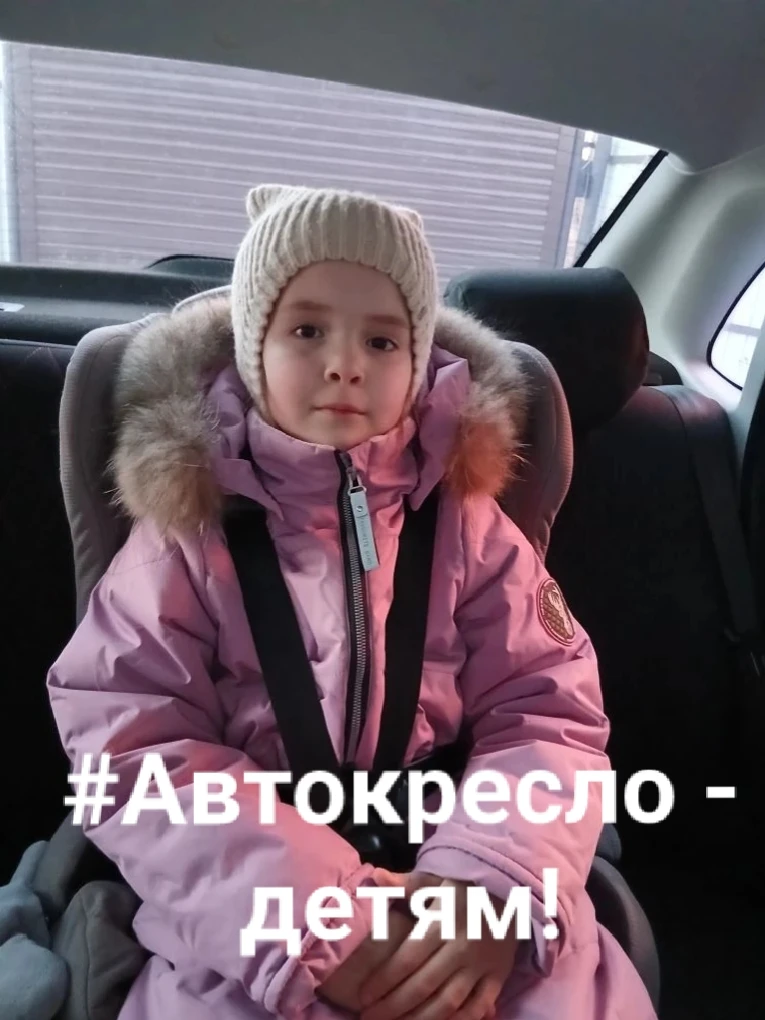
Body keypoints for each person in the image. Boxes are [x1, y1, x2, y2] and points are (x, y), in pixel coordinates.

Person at [46, 183, 657, 1020]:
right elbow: (132, 751)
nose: (345, 363)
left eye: (381, 338)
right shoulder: (183, 539)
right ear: (252, 350)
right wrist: (311, 922)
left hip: (455, 858)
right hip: (251, 906)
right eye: (306, 331)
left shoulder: (471, 527)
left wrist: (493, 881)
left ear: (417, 361)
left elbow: (548, 715)